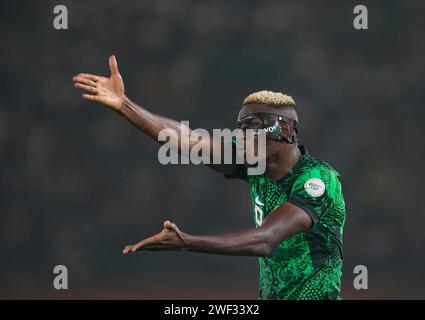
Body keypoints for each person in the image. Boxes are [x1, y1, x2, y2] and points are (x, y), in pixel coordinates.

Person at [73, 55, 346, 300]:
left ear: (285, 130)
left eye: (252, 126)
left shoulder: (318, 179)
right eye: (240, 128)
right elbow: (189, 140)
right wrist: (125, 105)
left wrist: (187, 242)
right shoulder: (256, 165)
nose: (241, 135)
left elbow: (265, 240)